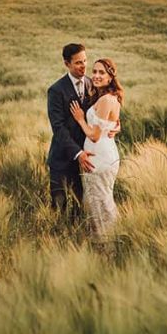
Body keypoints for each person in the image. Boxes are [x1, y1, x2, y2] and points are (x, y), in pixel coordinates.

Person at [70, 58, 123, 240]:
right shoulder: (104, 97)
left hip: (100, 156)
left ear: (110, 77)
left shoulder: (107, 99)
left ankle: (109, 239)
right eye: (95, 72)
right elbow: (114, 123)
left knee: (100, 199)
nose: (96, 76)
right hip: (100, 153)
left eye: (102, 73)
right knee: (96, 199)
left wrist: (80, 119)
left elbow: (94, 135)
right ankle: (102, 239)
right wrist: (117, 127)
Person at [46, 43, 93, 214]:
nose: (84, 66)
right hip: (62, 159)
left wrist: (114, 126)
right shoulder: (56, 90)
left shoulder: (92, 84)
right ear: (67, 63)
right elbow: (58, 128)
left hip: (88, 159)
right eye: (78, 62)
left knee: (82, 208)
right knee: (60, 208)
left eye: (85, 61)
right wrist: (77, 153)